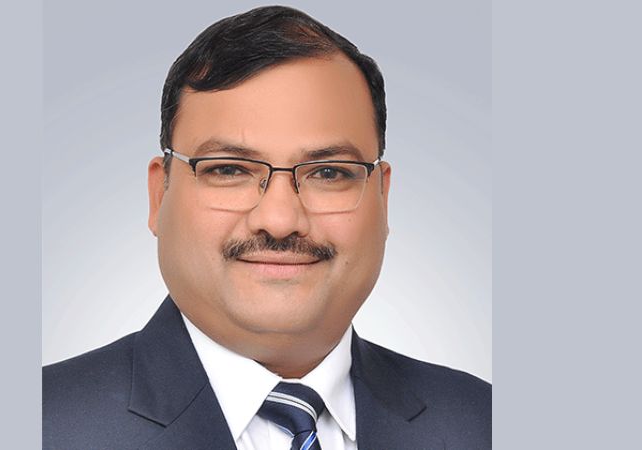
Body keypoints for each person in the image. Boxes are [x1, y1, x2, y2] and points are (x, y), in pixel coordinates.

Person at [43, 5, 491, 449]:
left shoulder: (485, 423)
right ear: (159, 195)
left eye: (329, 173)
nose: (279, 221)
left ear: (383, 197)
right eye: (229, 170)